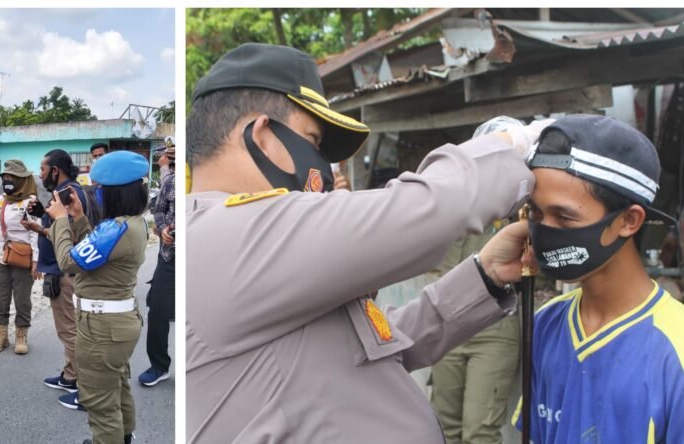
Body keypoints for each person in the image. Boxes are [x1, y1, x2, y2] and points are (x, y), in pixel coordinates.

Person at [185, 42, 546, 443]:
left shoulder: (252, 254)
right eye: (313, 142)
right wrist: (510, 145)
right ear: (262, 135)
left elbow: (372, 346)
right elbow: (428, 209)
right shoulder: (224, 234)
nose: (321, 167)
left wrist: (484, 277)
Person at [512, 115, 684, 443]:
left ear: (629, 220)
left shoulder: (675, 350)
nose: (544, 231)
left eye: (564, 217)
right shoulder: (545, 323)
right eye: (535, 213)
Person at [47, 150, 150, 444]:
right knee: (117, 386)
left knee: (98, 401)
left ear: (116, 193)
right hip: (118, 323)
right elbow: (96, 251)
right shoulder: (132, 224)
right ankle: (124, 436)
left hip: (101, 328)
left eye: (101, 189)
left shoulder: (117, 229)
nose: (97, 194)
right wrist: (78, 219)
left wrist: (60, 221)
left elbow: (69, 261)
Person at [429, 231, 521, 444]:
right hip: (447, 321)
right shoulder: (448, 206)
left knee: (480, 433)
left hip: (495, 326)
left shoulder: (511, 205)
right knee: (443, 429)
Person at [21, 149, 91, 408]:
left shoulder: (65, 194)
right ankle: (71, 375)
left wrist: (38, 227)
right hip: (62, 269)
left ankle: (85, 388)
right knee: (68, 328)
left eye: (42, 169)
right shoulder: (71, 190)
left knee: (70, 330)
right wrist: (42, 211)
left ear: (55, 170)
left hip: (66, 272)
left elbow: (69, 237)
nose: (39, 175)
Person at [0, 160, 39, 355]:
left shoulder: (31, 202)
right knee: (1, 298)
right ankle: (1, 336)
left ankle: (21, 336)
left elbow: (35, 233)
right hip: (1, 257)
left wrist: (35, 262)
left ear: (22, 180)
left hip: (23, 258)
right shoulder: (1, 200)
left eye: (12, 177)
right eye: (5, 177)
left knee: (22, 299)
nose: (7, 180)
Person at [139, 143, 175, 387]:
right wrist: (162, 229)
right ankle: (159, 365)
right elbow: (158, 209)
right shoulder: (172, 181)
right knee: (158, 310)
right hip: (169, 256)